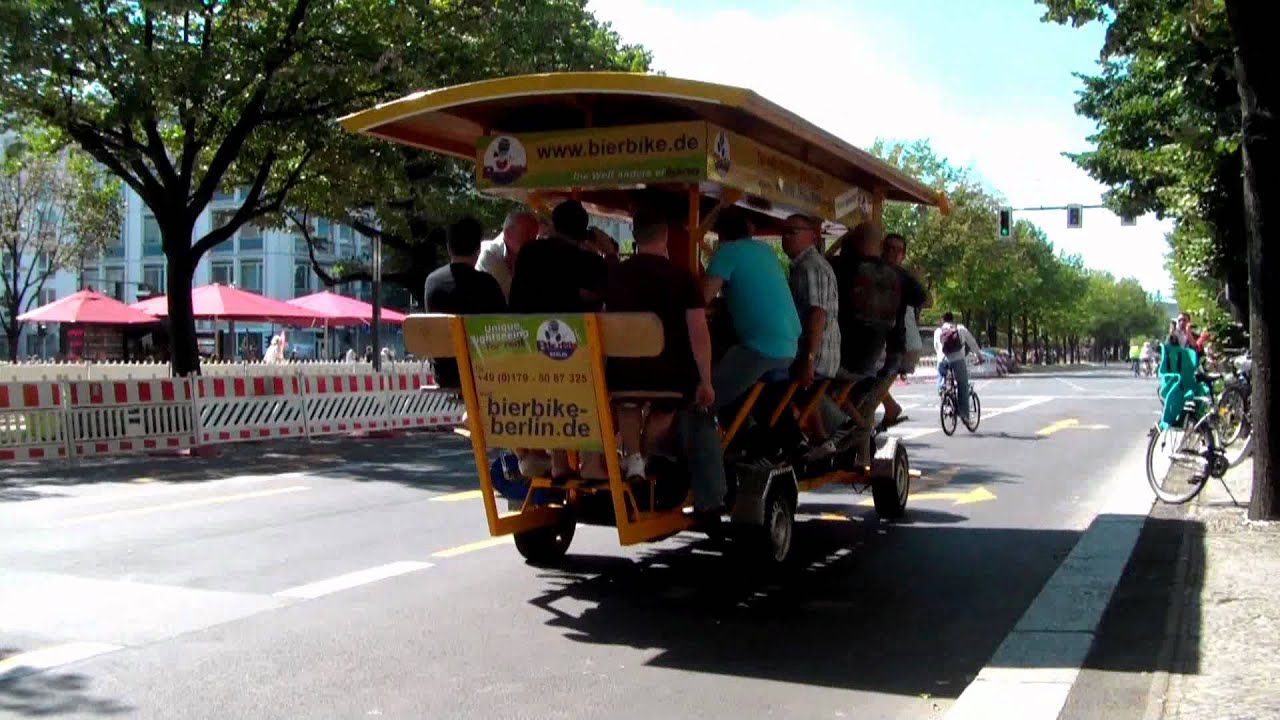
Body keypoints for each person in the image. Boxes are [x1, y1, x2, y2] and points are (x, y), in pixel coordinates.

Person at [604, 205, 715, 485]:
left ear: (634, 235)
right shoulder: (682, 279)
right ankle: (648, 452)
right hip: (669, 376)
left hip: (623, 373)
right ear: (665, 235)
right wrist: (706, 379)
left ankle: (633, 459)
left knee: (627, 403)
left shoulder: (615, 275)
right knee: (664, 410)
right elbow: (698, 331)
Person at [780, 213, 854, 455]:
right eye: (784, 231)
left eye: (793, 231)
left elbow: (817, 314)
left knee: (769, 390)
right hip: (818, 354)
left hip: (816, 355)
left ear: (811, 236)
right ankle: (823, 442)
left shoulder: (810, 267)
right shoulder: (807, 266)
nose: (785, 237)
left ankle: (800, 441)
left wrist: (809, 360)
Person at [423, 216, 508, 389]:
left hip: (445, 374)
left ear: (449, 248)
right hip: (482, 372)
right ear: (478, 249)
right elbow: (504, 329)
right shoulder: (487, 284)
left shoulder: (431, 282)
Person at [508, 199, 615, 314]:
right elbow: (615, 292)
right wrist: (610, 254)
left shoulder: (529, 251)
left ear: (553, 226)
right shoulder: (591, 263)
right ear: (584, 234)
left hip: (527, 327)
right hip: (576, 329)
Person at [878, 232, 929, 430]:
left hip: (894, 346)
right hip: (891, 345)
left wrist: (915, 280)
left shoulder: (902, 277)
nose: (893, 254)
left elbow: (925, 299)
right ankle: (888, 409)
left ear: (903, 255)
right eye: (889, 249)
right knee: (871, 384)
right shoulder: (878, 270)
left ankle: (887, 410)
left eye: (898, 251)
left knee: (869, 381)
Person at [476, 210, 539, 300]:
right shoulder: (489, 254)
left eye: (535, 235)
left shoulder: (525, 256)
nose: (533, 240)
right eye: (527, 234)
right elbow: (512, 298)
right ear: (508, 234)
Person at [934, 312, 983, 422]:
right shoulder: (960, 328)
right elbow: (972, 343)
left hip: (942, 361)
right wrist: (979, 356)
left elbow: (936, 347)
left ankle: (944, 400)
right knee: (963, 385)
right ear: (953, 319)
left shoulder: (938, 332)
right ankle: (964, 415)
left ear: (942, 320)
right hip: (958, 360)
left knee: (941, 380)